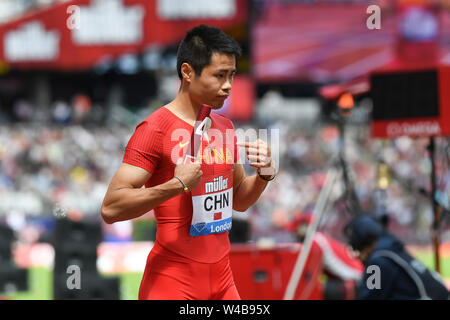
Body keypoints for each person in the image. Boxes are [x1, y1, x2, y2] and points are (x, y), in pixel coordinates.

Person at [100, 25, 277, 300]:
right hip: (172, 281)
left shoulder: (225, 127)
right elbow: (111, 208)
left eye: (231, 75)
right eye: (219, 75)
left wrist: (265, 174)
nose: (228, 85)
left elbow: (239, 201)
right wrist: (176, 185)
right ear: (187, 72)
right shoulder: (155, 129)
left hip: (223, 281)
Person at [344, 215, 449, 300]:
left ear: (365, 245)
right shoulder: (393, 250)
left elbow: (370, 297)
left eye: (358, 248)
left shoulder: (378, 261)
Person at [285, 212, 364, 299]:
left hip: (354, 280)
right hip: (352, 278)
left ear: (303, 229)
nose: (294, 234)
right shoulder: (318, 238)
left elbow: (309, 274)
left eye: (295, 230)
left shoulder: (314, 242)